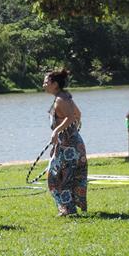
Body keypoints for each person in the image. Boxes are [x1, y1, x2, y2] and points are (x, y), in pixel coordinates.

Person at [44, 69, 87, 216]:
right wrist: (72, 132)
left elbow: (71, 117)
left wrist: (56, 132)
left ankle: (67, 210)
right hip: (70, 143)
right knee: (64, 176)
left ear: (55, 84)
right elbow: (78, 115)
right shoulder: (64, 97)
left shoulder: (61, 99)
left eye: (46, 82)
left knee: (57, 177)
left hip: (68, 146)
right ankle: (67, 208)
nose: (44, 84)